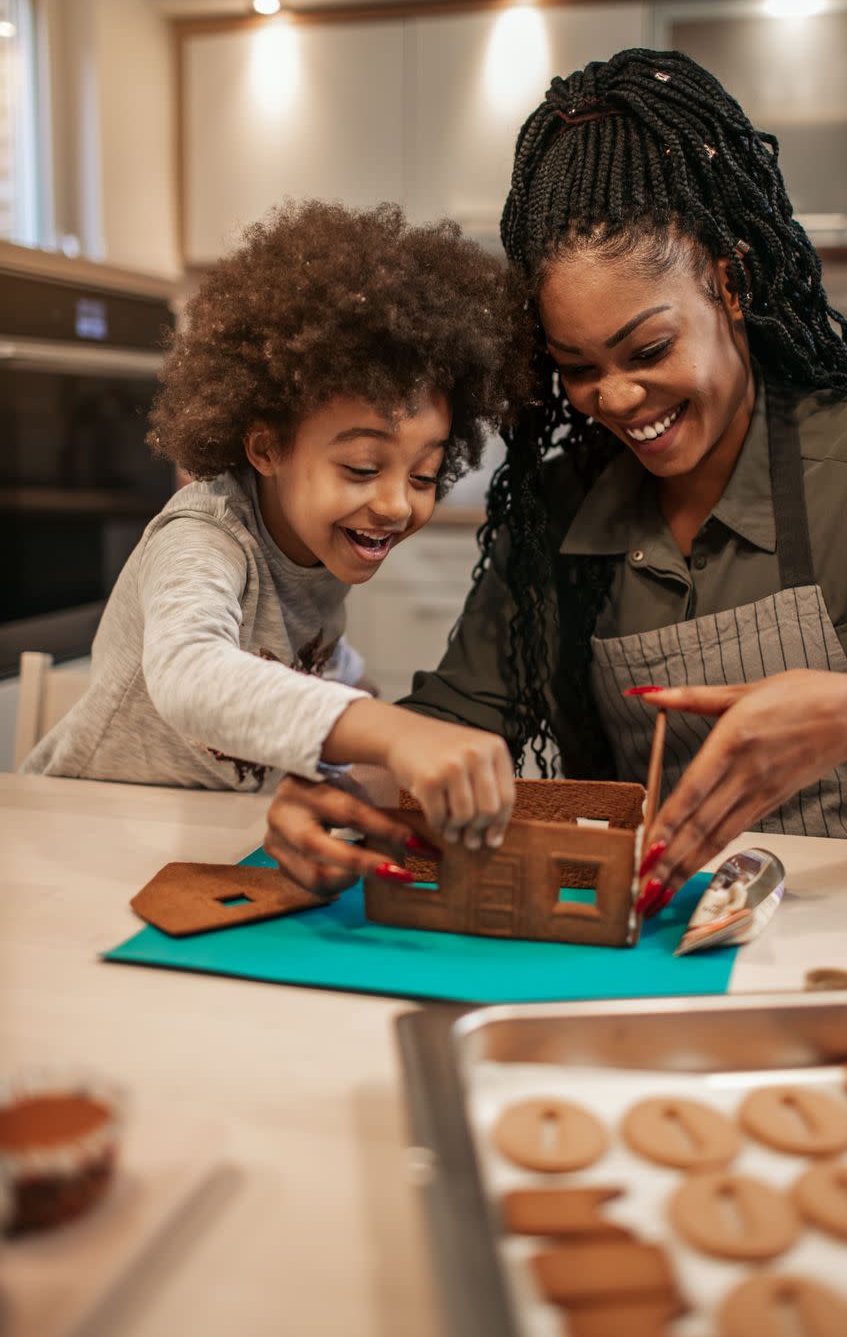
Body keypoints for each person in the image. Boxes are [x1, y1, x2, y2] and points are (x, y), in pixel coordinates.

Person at [262, 49, 847, 913]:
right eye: (578, 368)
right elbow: (446, 730)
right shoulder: (557, 511)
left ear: (730, 282)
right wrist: (340, 792)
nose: (619, 399)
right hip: (649, 936)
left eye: (650, 350)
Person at [22, 201, 523, 864]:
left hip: (200, 840)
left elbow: (313, 663)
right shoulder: (204, 534)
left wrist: (364, 714)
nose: (396, 504)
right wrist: (390, 731)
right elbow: (191, 673)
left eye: (426, 476)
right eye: (362, 467)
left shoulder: (317, 547)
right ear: (266, 447)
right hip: (77, 839)